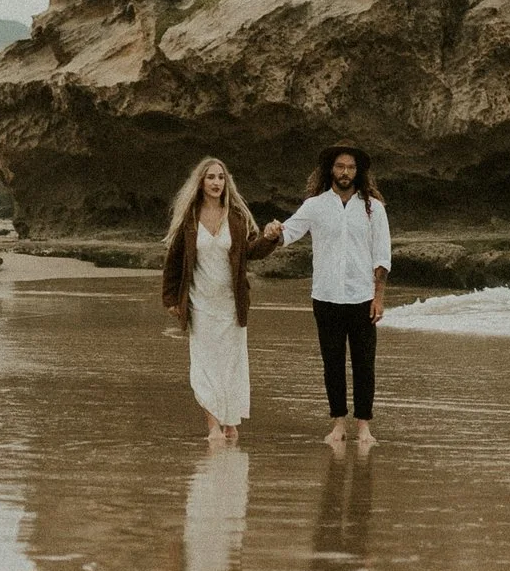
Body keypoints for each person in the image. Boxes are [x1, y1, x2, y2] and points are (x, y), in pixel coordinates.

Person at [259, 143, 391, 449]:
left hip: (361, 297)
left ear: (359, 172)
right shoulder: (316, 205)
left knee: (364, 364)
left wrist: (378, 296)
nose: (345, 173)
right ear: (330, 169)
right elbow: (288, 233)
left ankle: (364, 428)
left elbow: (382, 256)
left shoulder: (374, 209)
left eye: (351, 168)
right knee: (332, 363)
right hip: (326, 297)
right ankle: (337, 425)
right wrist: (272, 230)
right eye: (340, 167)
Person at [159, 156, 277, 444]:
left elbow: (252, 252)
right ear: (201, 182)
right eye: (210, 177)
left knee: (232, 366)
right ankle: (214, 426)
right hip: (200, 305)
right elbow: (173, 262)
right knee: (205, 366)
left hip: (231, 305)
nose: (216, 182)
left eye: (221, 177)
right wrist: (171, 298)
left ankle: (231, 424)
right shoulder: (189, 219)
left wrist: (270, 237)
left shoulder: (235, 217)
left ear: (227, 183)